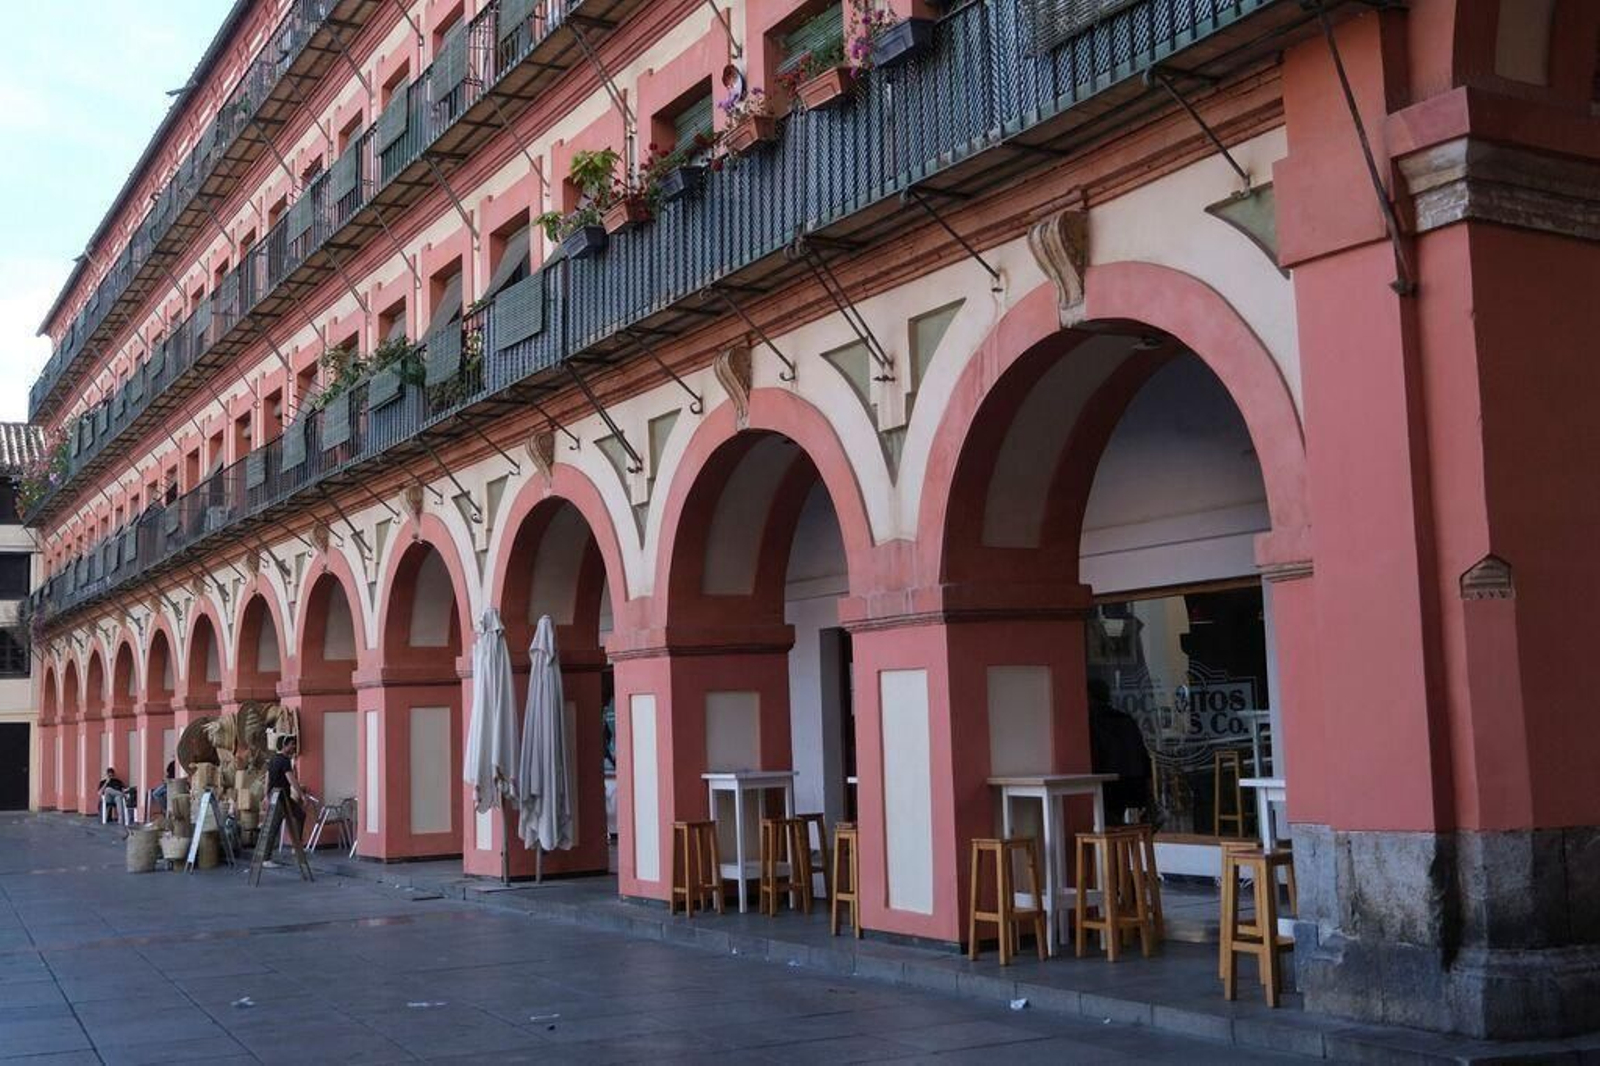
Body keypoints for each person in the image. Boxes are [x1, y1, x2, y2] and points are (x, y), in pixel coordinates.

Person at [1087, 679, 1152, 823]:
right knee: (1114, 824)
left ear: (1088, 696)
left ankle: (1110, 843)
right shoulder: (1125, 719)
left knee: (1103, 823)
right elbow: (1143, 757)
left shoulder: (1090, 721)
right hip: (1131, 789)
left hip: (1105, 788)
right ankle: (1116, 842)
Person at [266, 737, 306, 850]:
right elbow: (291, 779)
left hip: (278, 796)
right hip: (280, 797)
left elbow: (267, 779)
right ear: (284, 745)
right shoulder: (284, 760)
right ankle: (266, 859)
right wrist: (302, 795)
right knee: (274, 826)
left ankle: (296, 847)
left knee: (300, 815)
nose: (294, 747)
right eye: (292, 744)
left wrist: (266, 795)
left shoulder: (273, 759)